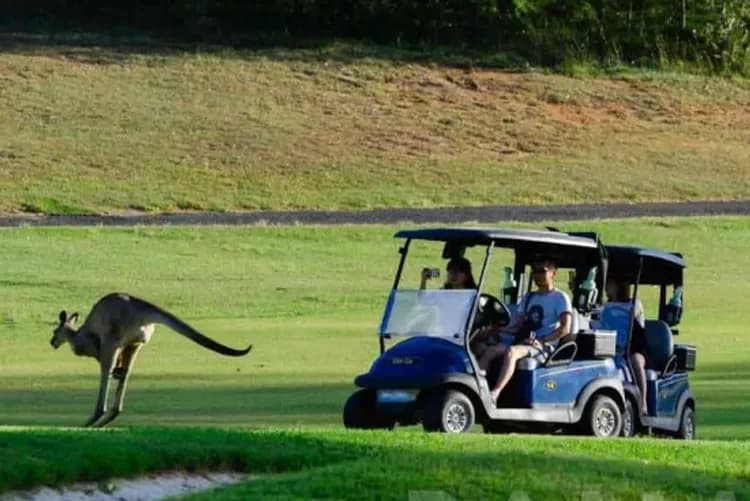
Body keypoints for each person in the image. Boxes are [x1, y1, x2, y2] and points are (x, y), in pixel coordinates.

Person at [487, 256, 573, 404]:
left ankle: (495, 394)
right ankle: (479, 388)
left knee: (512, 352)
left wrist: (540, 340)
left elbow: (565, 329)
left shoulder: (560, 298)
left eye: (542, 271)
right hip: (525, 342)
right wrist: (495, 329)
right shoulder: (529, 297)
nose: (537, 275)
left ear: (553, 272)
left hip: (544, 347)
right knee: (489, 350)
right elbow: (517, 327)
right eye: (535, 271)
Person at [600, 277, 648, 414]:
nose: (606, 289)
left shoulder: (634, 304)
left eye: (609, 285)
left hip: (633, 346)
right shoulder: (605, 306)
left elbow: (632, 316)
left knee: (636, 362)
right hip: (610, 346)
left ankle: (643, 402)